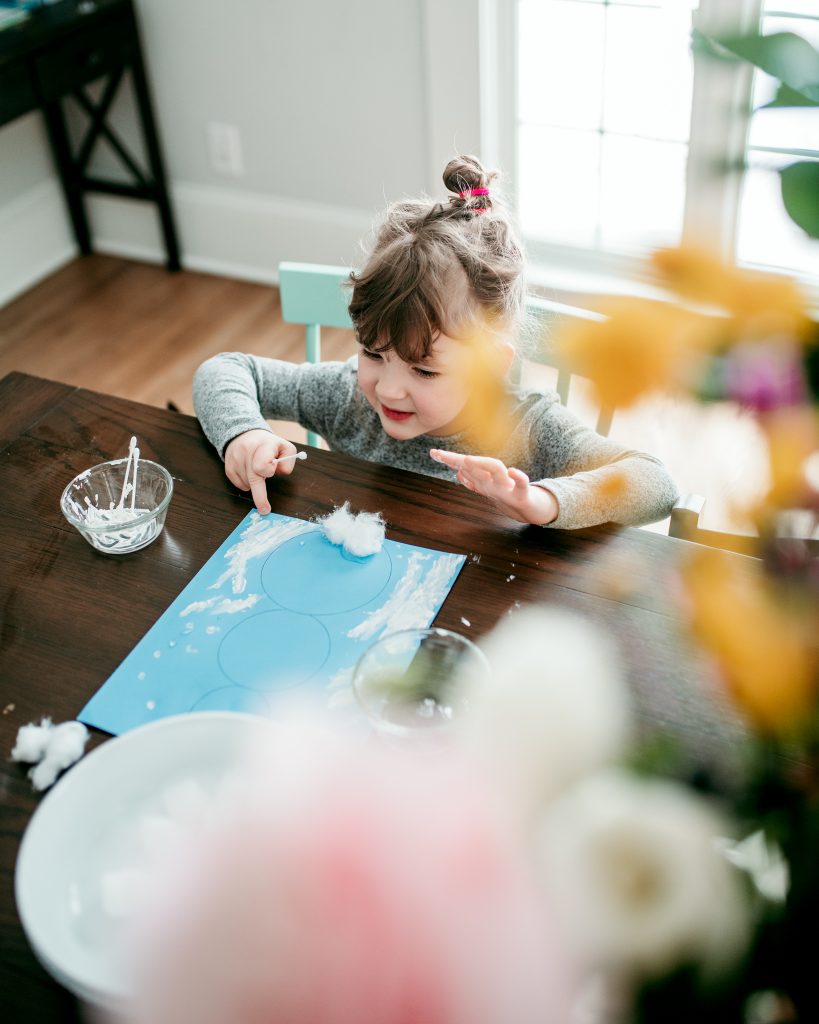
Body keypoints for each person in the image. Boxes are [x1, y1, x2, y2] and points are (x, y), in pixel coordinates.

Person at [193, 155, 678, 529]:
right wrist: (244, 435)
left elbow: (654, 482)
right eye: (372, 353)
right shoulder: (346, 397)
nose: (388, 390)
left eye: (424, 370)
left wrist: (542, 501)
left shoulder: (527, 430)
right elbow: (226, 369)